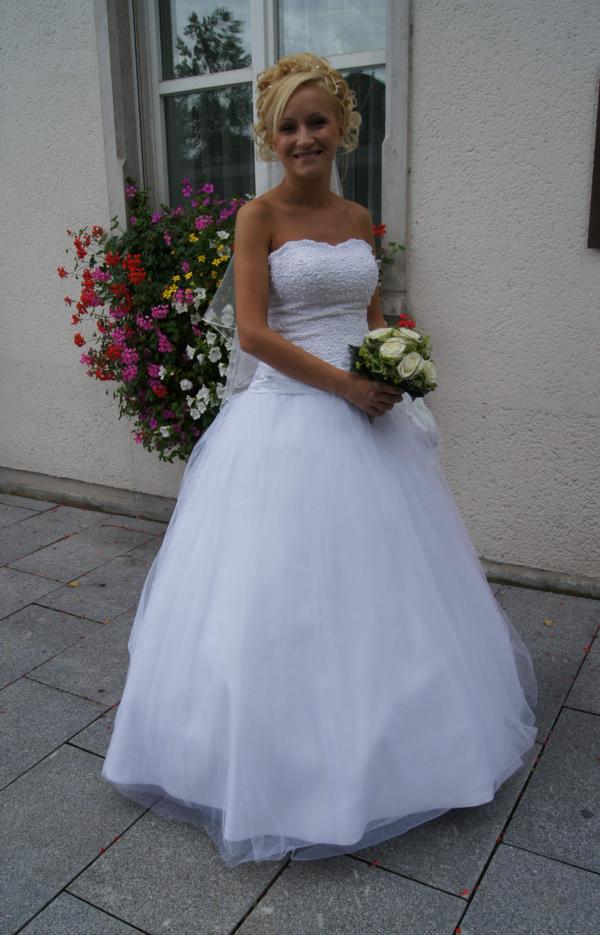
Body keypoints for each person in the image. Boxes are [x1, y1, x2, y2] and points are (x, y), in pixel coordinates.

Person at [102, 52, 537, 868]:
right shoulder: (257, 217)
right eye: (288, 126)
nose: (304, 137)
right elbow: (253, 333)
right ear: (270, 138)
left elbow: (370, 315)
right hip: (288, 417)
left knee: (387, 586)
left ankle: (406, 748)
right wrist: (345, 385)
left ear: (342, 127)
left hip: (366, 414)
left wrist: (395, 360)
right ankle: (269, 763)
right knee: (275, 589)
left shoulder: (359, 215)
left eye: (317, 121)